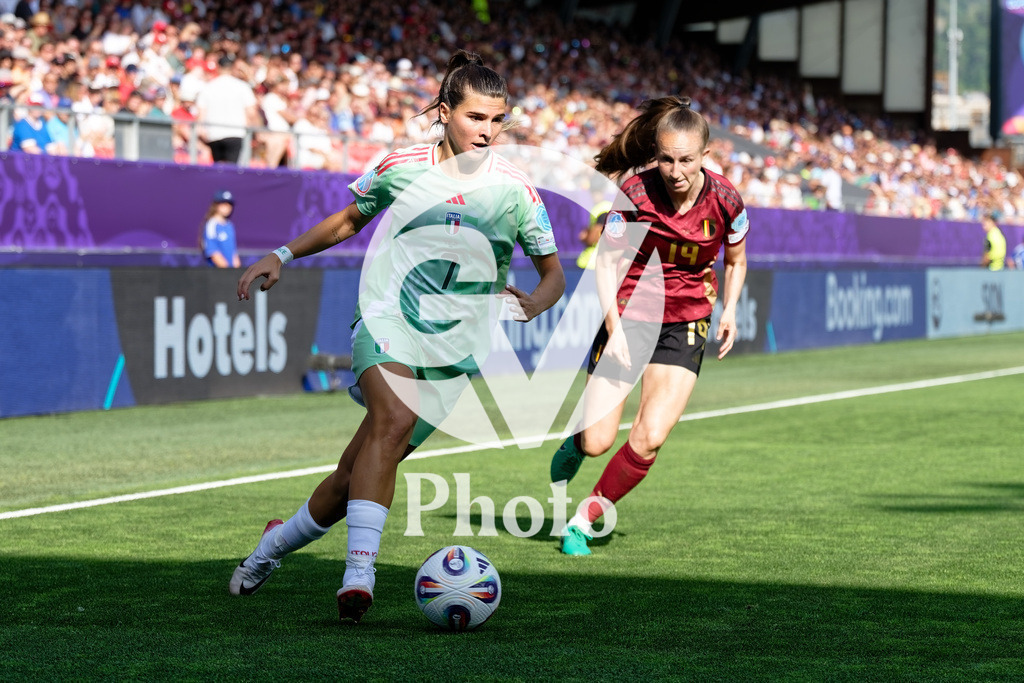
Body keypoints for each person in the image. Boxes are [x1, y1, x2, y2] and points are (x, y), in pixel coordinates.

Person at [229, 50, 565, 622]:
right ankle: (359, 573)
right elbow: (349, 220)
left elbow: (553, 272)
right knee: (396, 418)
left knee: (350, 477)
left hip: (455, 349)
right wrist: (281, 254)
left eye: (496, 120)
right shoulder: (402, 165)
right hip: (388, 320)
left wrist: (536, 301)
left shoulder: (515, 190)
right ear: (444, 111)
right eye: (475, 117)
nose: (487, 131)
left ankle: (270, 548)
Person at [548, 95, 749, 556]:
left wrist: (731, 309)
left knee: (651, 435)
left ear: (706, 156)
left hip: (687, 320)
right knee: (599, 441)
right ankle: (579, 441)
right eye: (665, 159)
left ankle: (583, 520)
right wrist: (615, 328)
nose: (675, 171)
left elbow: (736, 261)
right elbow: (606, 264)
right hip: (631, 316)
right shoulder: (635, 195)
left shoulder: (726, 200)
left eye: (686, 160)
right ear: (654, 153)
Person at [200, 190, 241, 268]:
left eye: (230, 204)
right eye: (224, 204)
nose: (227, 207)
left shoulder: (229, 225)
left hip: (231, 274)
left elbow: (234, 253)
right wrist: (227, 272)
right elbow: (213, 252)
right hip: (217, 274)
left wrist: (237, 272)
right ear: (216, 205)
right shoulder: (211, 225)